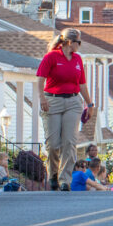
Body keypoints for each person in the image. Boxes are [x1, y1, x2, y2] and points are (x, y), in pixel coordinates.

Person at [38, 28, 96, 191]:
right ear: (70, 42)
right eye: (79, 42)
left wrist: (90, 104)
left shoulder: (77, 59)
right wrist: (42, 98)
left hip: (73, 101)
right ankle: (53, 174)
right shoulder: (51, 57)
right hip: (52, 101)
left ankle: (65, 179)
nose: (80, 45)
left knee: (70, 141)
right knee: (53, 144)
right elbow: (40, 79)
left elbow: (82, 84)